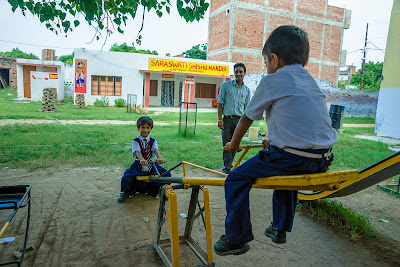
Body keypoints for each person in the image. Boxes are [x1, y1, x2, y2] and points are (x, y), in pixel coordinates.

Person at [213, 25, 338, 256]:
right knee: (287, 173)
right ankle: (280, 228)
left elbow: (246, 119)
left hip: (293, 157)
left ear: (274, 59)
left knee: (235, 178)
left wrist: (233, 144)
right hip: (323, 158)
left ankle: (235, 238)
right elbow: (299, 121)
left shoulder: (271, 81)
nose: (266, 68)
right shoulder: (311, 81)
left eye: (265, 63)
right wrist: (274, 140)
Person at [118, 116, 171, 201]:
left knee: (167, 174)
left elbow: (155, 149)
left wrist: (159, 157)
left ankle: (160, 190)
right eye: (143, 128)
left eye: (148, 128)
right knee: (127, 176)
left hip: (151, 164)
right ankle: (125, 192)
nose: (145, 130)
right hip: (139, 164)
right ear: (138, 128)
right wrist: (142, 159)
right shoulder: (135, 141)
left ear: (151, 128)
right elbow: (137, 151)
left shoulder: (153, 141)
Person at [217, 63, 250, 174]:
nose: (238, 74)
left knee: (235, 144)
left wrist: (246, 125)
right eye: (236, 72)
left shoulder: (247, 90)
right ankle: (227, 168)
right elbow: (220, 103)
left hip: (239, 121)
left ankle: (230, 165)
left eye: (241, 72)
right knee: (226, 144)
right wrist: (220, 119)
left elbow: (247, 108)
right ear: (234, 73)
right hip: (227, 120)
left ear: (244, 73)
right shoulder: (226, 85)